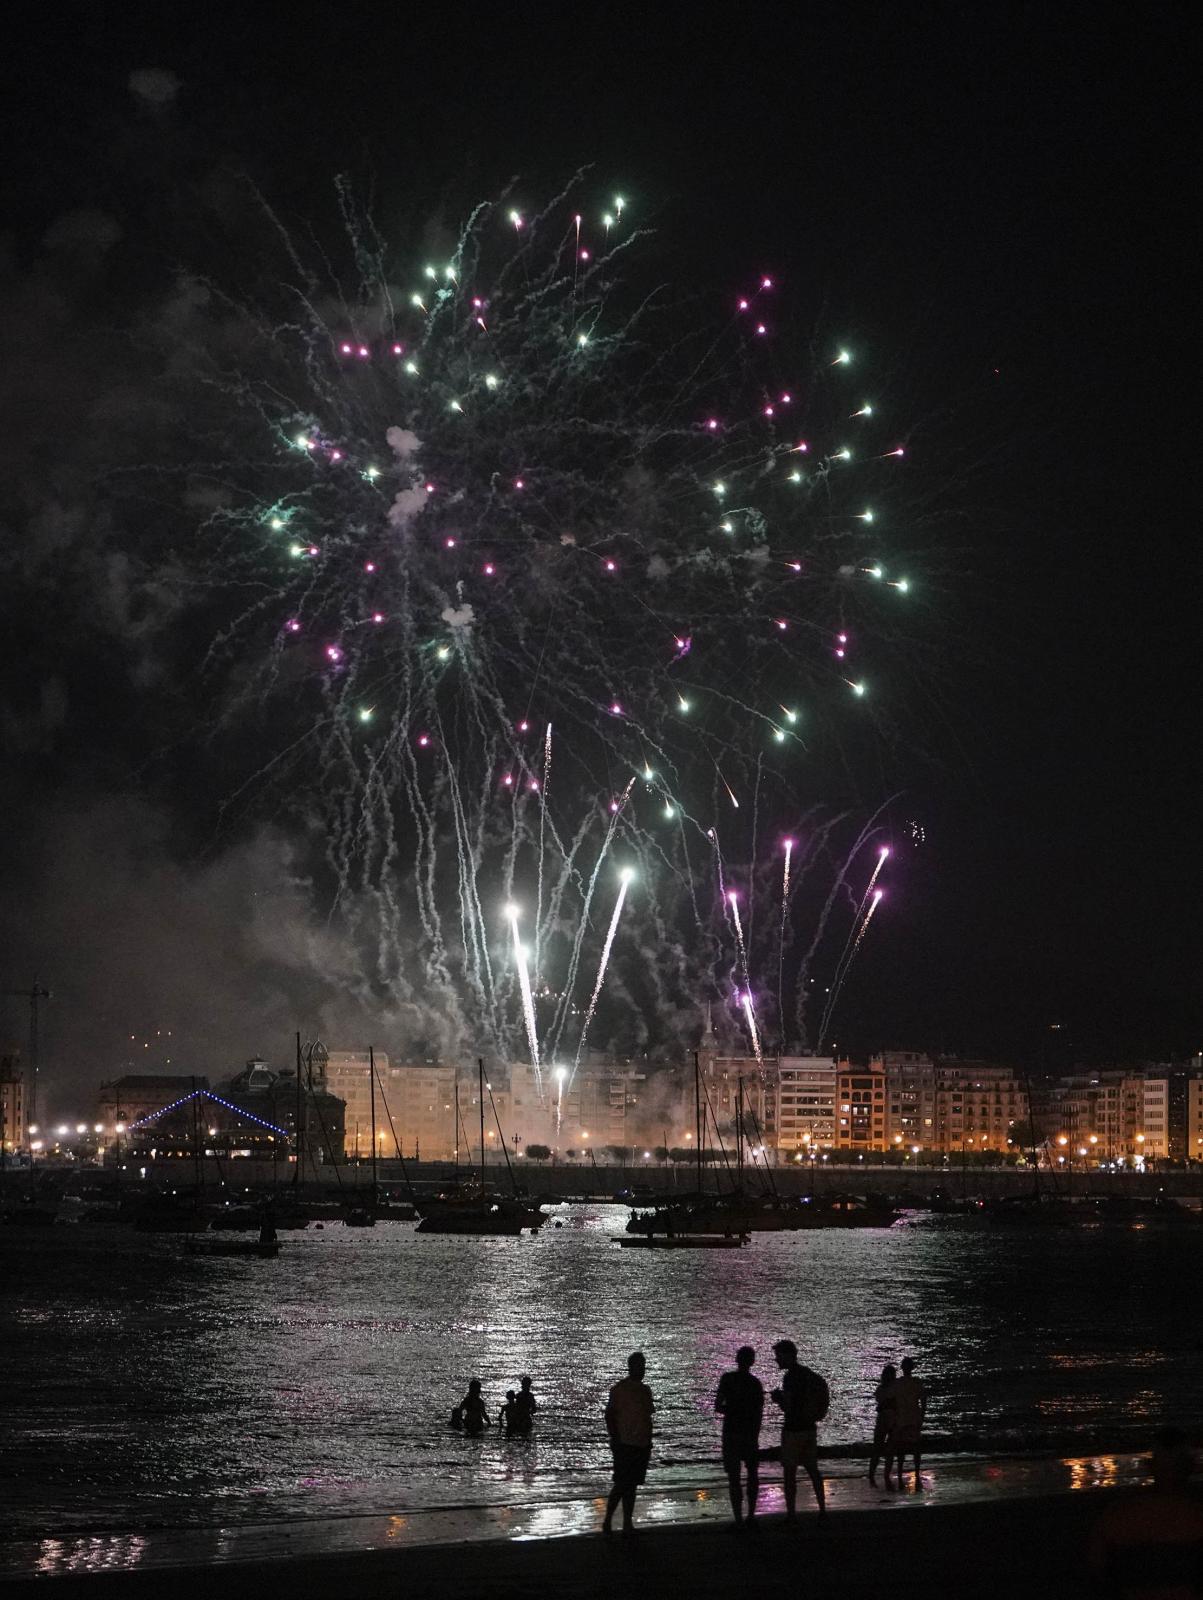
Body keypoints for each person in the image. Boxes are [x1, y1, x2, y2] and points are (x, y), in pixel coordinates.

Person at [1088, 1428, 1203, 1599]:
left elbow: (1097, 1570)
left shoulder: (1118, 1515)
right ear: (1190, 1467)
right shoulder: (1196, 1516)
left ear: (1150, 1466)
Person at [770, 1339, 828, 1520]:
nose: (776, 1360)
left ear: (788, 1355)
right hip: (809, 1428)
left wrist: (778, 1399)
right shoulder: (808, 1375)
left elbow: (789, 1406)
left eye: (778, 1356)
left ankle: (791, 1515)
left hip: (793, 1429)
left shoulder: (790, 1377)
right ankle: (822, 1510)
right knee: (812, 1470)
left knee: (789, 1473)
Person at [603, 1351, 655, 1534]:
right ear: (631, 1367)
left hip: (640, 1443)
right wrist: (614, 1438)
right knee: (622, 1484)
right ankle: (608, 1520)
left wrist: (649, 1440)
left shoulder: (644, 1390)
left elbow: (647, 1417)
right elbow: (609, 1416)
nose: (643, 1369)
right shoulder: (620, 1389)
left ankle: (626, 1523)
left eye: (643, 1366)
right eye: (640, 1366)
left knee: (631, 1485)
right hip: (624, 1443)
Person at [715, 1345, 764, 1526]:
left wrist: (733, 1410)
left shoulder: (727, 1379)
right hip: (749, 1434)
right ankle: (750, 1516)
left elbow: (718, 1406)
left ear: (737, 1360)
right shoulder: (755, 1383)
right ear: (752, 1362)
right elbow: (759, 1413)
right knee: (752, 1475)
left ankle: (738, 1519)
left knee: (734, 1477)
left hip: (732, 1433)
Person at [891, 1357, 927, 1488]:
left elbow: (893, 1402)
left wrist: (894, 1419)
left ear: (902, 1368)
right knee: (916, 1449)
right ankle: (917, 1472)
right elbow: (924, 1401)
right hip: (913, 1418)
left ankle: (900, 1473)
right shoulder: (917, 1383)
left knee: (901, 1449)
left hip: (902, 1419)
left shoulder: (897, 1383)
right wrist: (922, 1417)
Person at [868, 1363, 898, 1487]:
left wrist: (884, 1405)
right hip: (891, 1419)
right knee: (888, 1450)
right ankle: (884, 1474)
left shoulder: (881, 1389)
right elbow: (890, 1403)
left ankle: (873, 1474)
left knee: (878, 1448)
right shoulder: (894, 1388)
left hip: (883, 1419)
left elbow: (881, 1404)